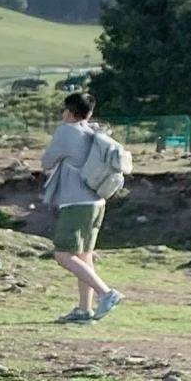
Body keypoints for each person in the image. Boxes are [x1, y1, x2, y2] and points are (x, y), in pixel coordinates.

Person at [40, 90, 123, 322]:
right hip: (97, 201)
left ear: (69, 112)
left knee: (62, 254)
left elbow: (47, 161)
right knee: (84, 256)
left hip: (76, 202)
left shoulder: (66, 131)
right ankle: (84, 309)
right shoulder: (94, 132)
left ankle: (106, 293)